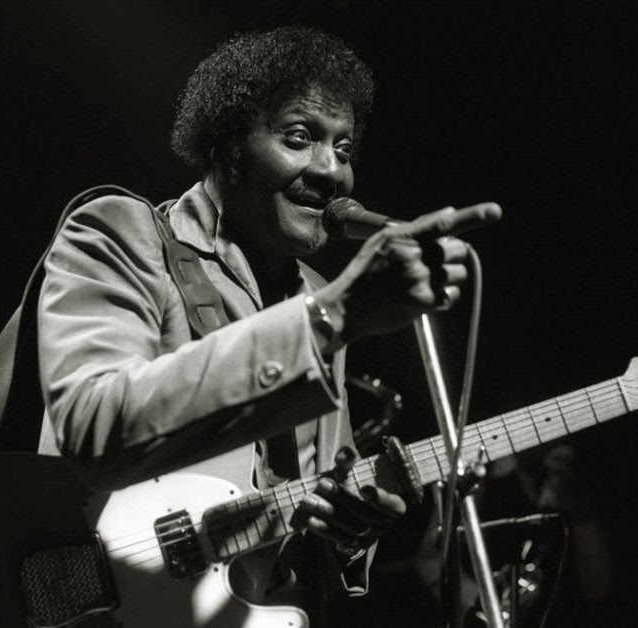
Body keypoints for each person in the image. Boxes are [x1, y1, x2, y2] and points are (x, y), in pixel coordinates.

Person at [35, 25, 489, 625]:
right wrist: (332, 318)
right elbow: (94, 427)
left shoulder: (317, 295)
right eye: (299, 138)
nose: (331, 171)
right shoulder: (123, 233)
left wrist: (351, 530)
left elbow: (309, 511)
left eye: (344, 149)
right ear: (228, 147)